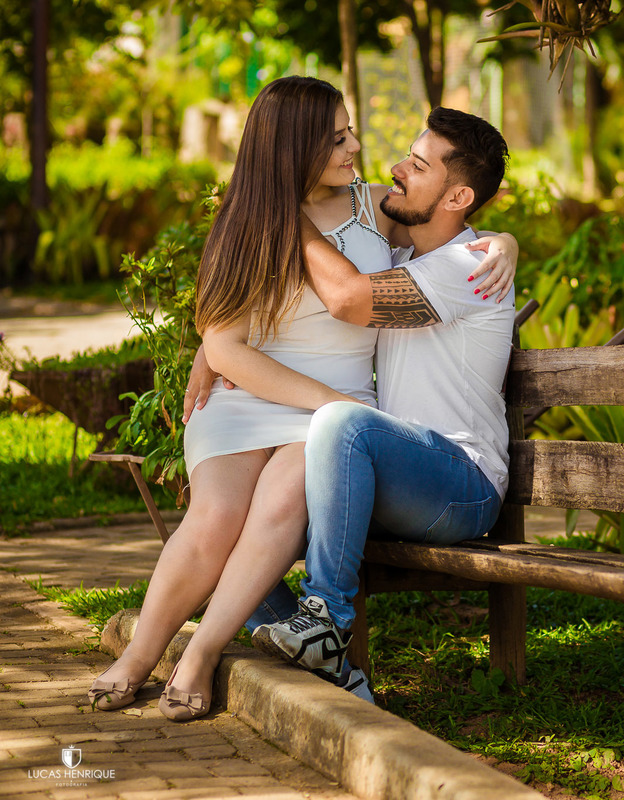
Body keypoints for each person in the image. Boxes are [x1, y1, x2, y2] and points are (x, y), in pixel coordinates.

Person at [86, 78, 515, 721]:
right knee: (214, 521)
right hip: (258, 395)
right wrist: (212, 343)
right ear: (293, 149)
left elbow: (443, 233)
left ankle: (200, 654)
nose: (358, 146)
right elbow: (225, 340)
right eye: (337, 136)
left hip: (340, 416)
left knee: (280, 504)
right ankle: (139, 657)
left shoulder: (373, 209)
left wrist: (506, 241)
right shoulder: (247, 220)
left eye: (350, 130)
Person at [249, 107, 515, 686]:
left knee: (344, 423)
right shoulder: (404, 259)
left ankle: (326, 619)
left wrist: (279, 211)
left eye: (417, 167)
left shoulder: (468, 268)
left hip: (462, 483)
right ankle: (335, 674)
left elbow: (346, 299)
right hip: (404, 477)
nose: (395, 169)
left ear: (457, 197)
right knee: (235, 527)